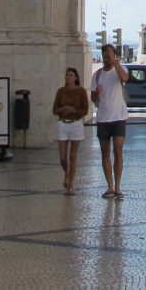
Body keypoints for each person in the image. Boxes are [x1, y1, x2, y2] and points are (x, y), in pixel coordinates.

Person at [91, 43, 129, 198]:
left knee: (118, 151)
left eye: (109, 55)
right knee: (105, 152)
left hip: (119, 117)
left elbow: (125, 78)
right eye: (105, 56)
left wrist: (115, 63)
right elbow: (93, 98)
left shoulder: (121, 69)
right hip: (103, 118)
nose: (107, 59)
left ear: (114, 56)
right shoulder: (97, 75)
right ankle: (110, 186)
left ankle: (118, 186)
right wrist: (97, 94)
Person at [52, 66, 89, 194]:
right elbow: (55, 109)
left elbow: (85, 110)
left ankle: (71, 184)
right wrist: (63, 109)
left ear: (76, 78)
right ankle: (66, 173)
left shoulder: (81, 91)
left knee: (73, 156)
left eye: (71, 75)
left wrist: (74, 110)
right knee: (62, 157)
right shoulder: (61, 91)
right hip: (63, 124)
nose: (68, 77)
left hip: (76, 124)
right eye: (67, 75)